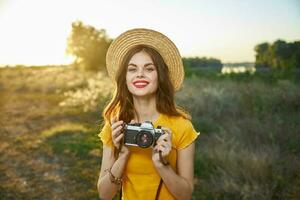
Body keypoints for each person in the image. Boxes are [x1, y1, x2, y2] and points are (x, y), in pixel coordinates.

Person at [97, 28, 199, 200]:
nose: (140, 75)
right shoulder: (116, 125)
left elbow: (185, 195)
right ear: (125, 78)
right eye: (132, 69)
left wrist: (161, 164)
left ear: (160, 76)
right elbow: (104, 194)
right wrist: (122, 155)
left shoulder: (182, 126)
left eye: (149, 68)